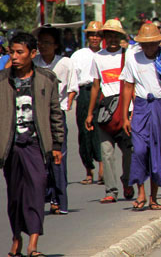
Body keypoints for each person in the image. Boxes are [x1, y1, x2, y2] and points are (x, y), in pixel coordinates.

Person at [1, 32, 64, 257]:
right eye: (12, 52)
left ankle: (33, 243)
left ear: (32, 53)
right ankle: (16, 238)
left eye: (20, 52)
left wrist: (57, 145)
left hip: (36, 145)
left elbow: (56, 114)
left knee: (37, 190)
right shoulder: (2, 80)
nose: (15, 57)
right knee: (15, 196)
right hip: (11, 147)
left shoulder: (46, 79)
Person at [120, 23, 161, 211]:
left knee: (156, 152)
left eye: (152, 43)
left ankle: (153, 197)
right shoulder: (133, 58)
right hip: (140, 107)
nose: (149, 47)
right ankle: (140, 191)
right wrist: (125, 116)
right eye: (145, 44)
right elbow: (128, 87)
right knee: (139, 151)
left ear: (158, 42)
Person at [85, 19, 134, 203]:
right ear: (105, 37)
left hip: (125, 110)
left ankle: (128, 182)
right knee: (106, 152)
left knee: (129, 151)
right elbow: (96, 86)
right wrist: (90, 113)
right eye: (109, 35)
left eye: (116, 35)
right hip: (106, 111)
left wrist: (134, 110)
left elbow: (133, 84)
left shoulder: (127, 56)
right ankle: (111, 190)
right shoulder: (98, 58)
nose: (113, 39)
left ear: (121, 37)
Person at [33, 26, 78, 216]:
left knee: (58, 158)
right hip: (36, 116)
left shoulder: (65, 63)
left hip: (56, 114)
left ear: (56, 45)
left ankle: (59, 200)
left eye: (47, 42)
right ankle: (45, 196)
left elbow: (72, 87)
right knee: (40, 161)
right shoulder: (34, 62)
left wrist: (66, 106)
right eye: (40, 42)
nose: (43, 46)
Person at [71, 21, 104, 185]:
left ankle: (102, 168)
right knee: (84, 132)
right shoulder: (78, 55)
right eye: (92, 34)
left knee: (101, 130)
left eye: (98, 34)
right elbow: (72, 79)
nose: (95, 38)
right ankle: (88, 170)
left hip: (101, 93)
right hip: (84, 93)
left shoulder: (105, 54)